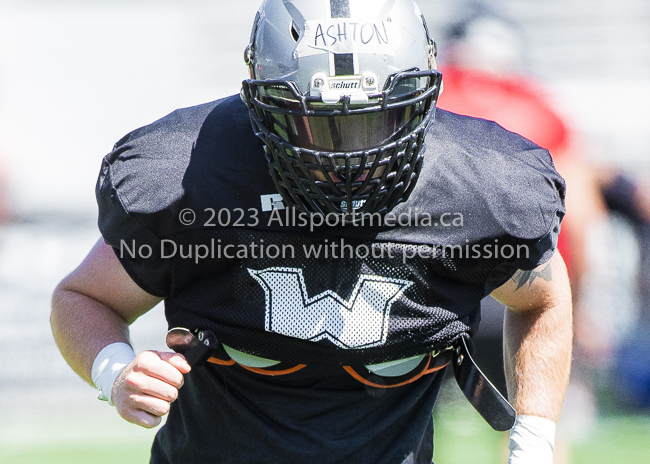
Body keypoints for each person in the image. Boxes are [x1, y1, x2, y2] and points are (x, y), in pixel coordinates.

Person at [50, 1, 572, 463]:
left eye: (372, 122)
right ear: (262, 105)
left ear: (421, 101)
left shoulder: (476, 185)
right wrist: (115, 371)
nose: (346, 154)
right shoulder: (193, 177)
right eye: (315, 122)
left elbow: (543, 299)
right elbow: (83, 297)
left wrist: (533, 442)